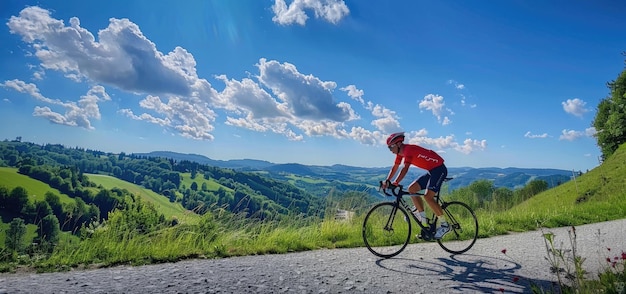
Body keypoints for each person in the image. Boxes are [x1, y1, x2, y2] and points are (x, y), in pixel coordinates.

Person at [382, 132, 450, 239]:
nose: (390, 150)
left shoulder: (408, 150)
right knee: (412, 189)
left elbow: (405, 168)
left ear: (399, 144)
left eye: (391, 147)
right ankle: (422, 218)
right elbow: (395, 167)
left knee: (428, 197)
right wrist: (387, 181)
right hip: (431, 171)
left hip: (439, 170)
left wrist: (395, 182)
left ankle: (445, 225)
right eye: (389, 148)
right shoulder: (400, 154)